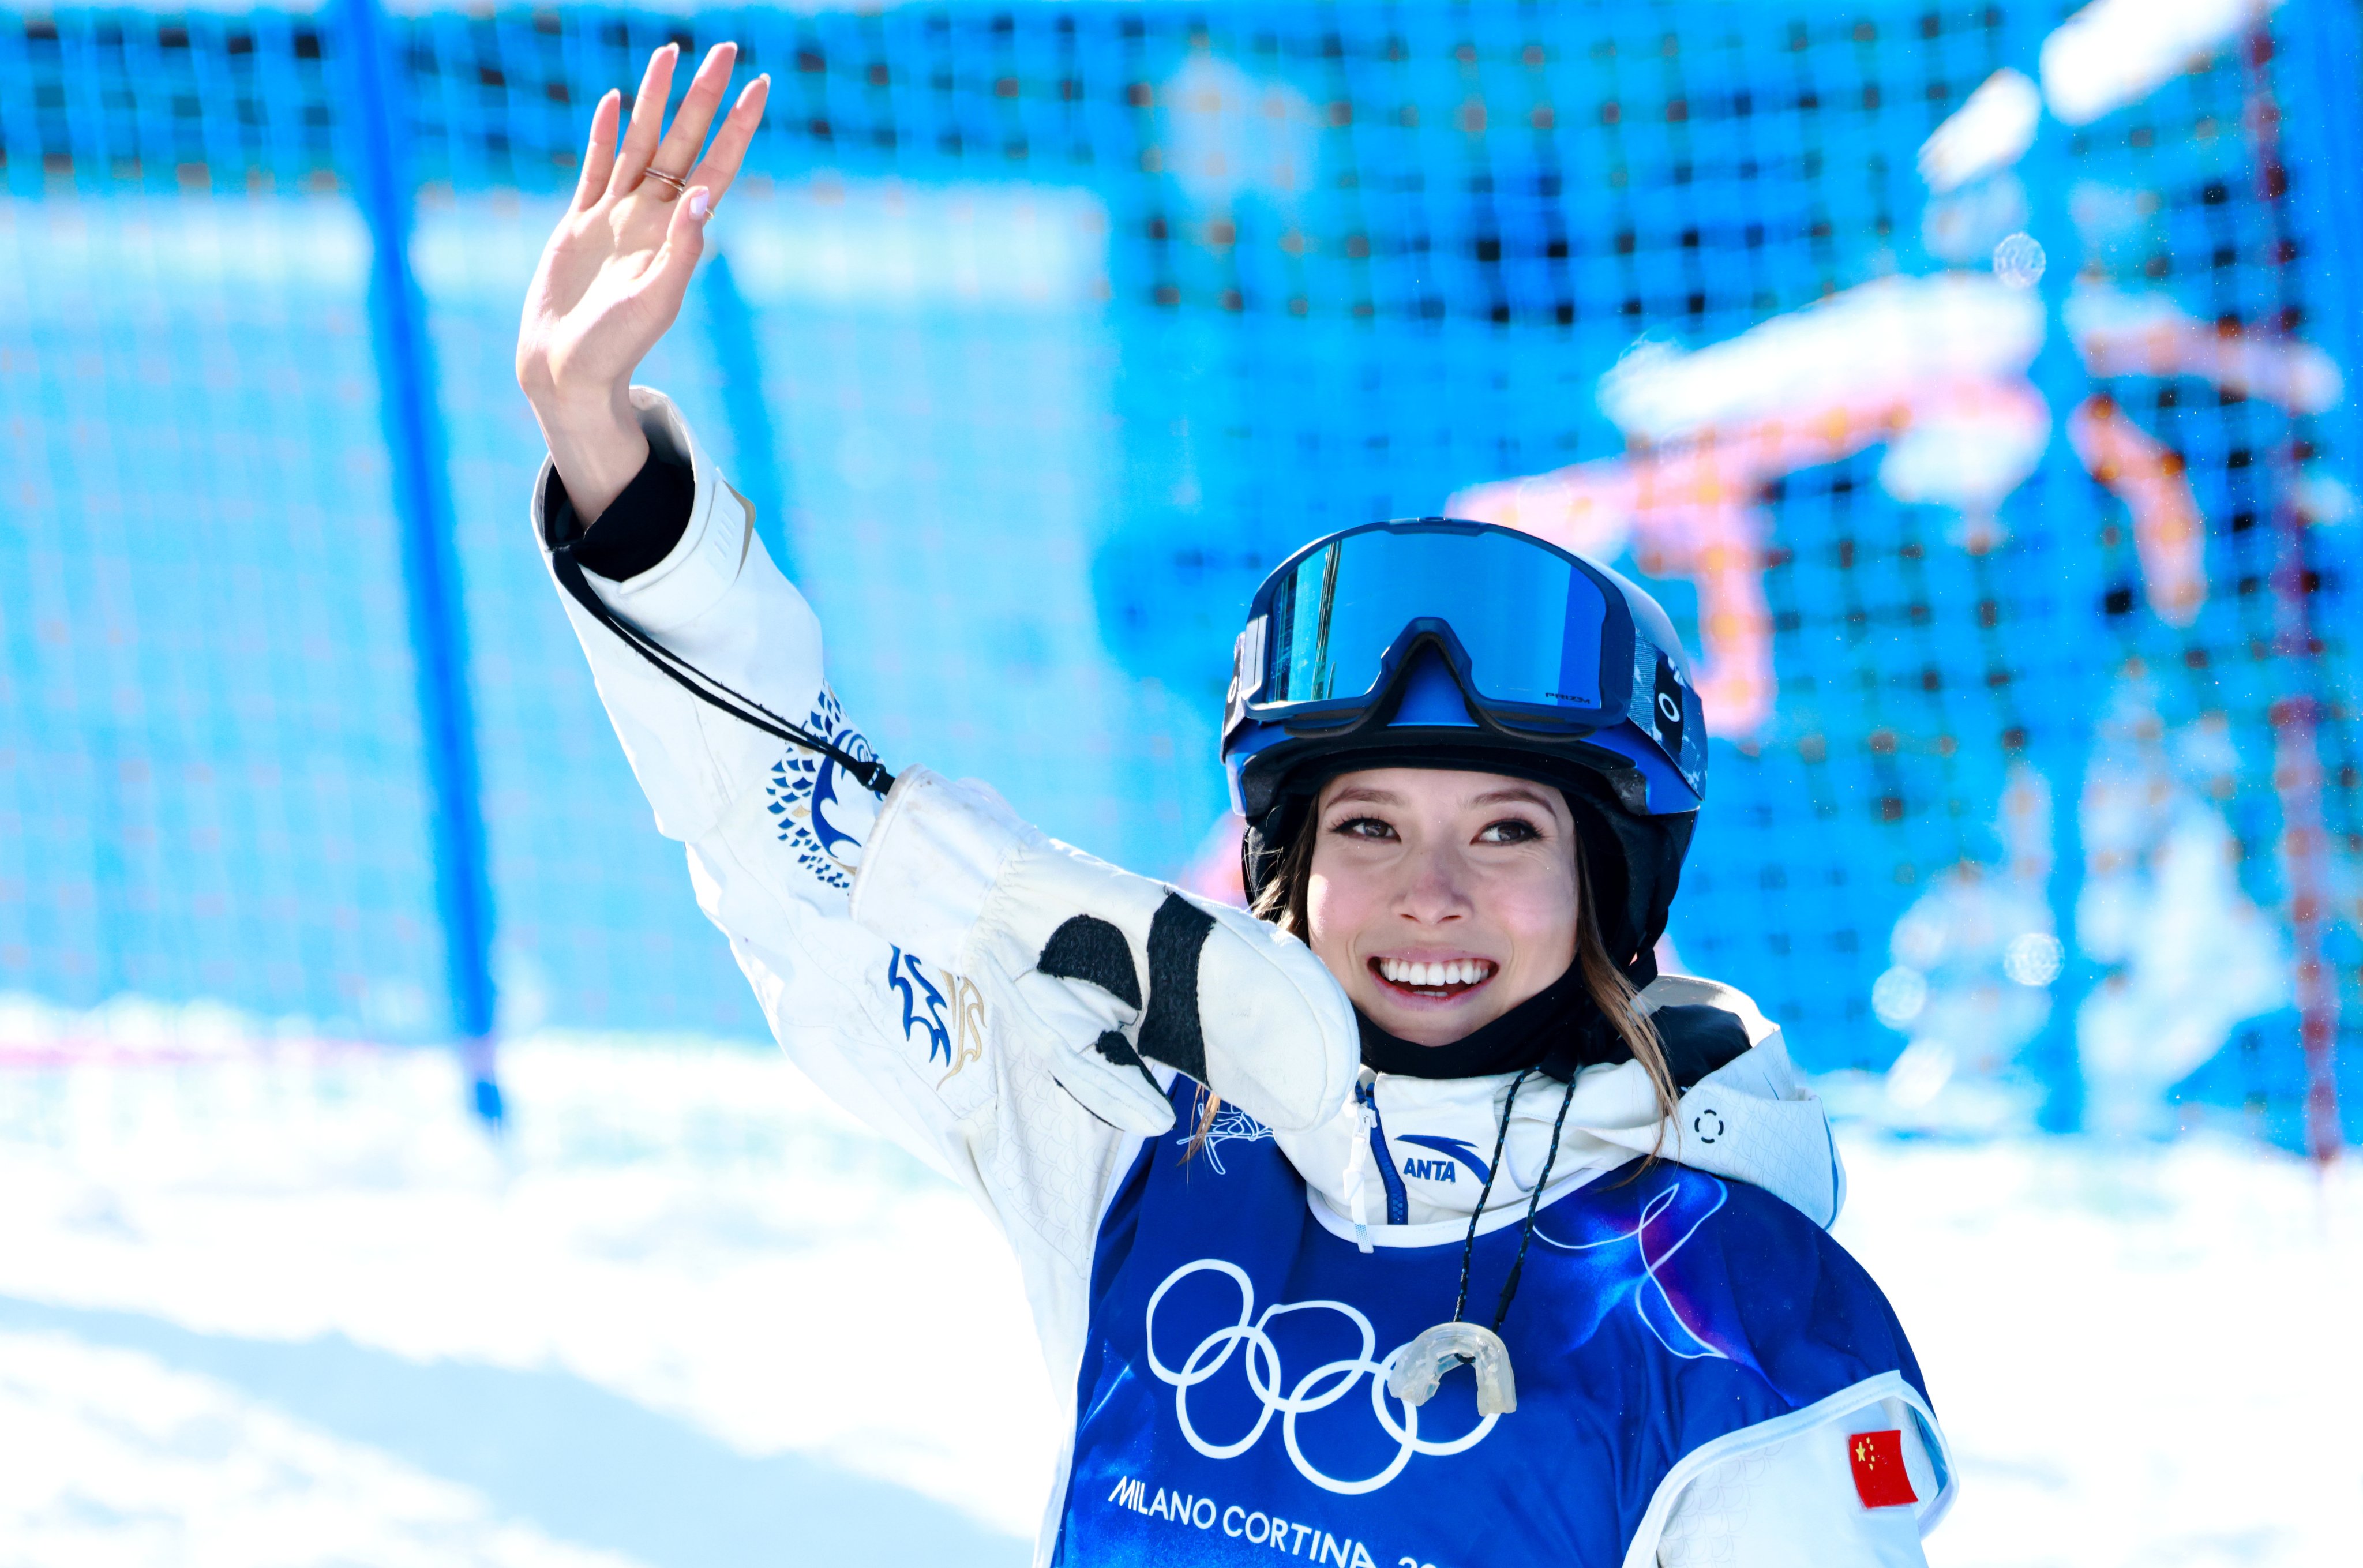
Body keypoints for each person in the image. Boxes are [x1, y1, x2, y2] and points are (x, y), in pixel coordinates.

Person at [517, 43, 1955, 1568]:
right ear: (1288, 865)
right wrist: (608, 453)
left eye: (1510, 833)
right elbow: (800, 858)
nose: (1433, 891)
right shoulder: (1144, 1144)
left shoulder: (1730, 1329)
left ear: (1621, 886)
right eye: (1368, 827)